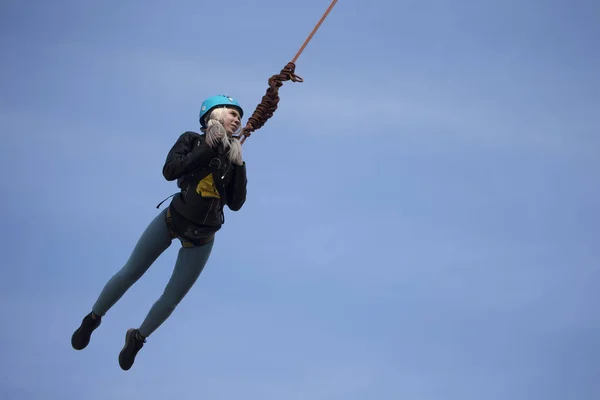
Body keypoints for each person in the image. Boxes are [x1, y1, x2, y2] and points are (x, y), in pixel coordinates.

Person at [70, 95, 248, 371]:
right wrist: (210, 148)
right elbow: (171, 170)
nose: (237, 119)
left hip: (203, 236)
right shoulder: (192, 139)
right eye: (232, 113)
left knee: (171, 298)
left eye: (239, 116)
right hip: (172, 220)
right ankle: (93, 318)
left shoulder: (233, 156)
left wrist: (239, 164)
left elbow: (236, 204)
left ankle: (137, 339)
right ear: (214, 114)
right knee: (131, 272)